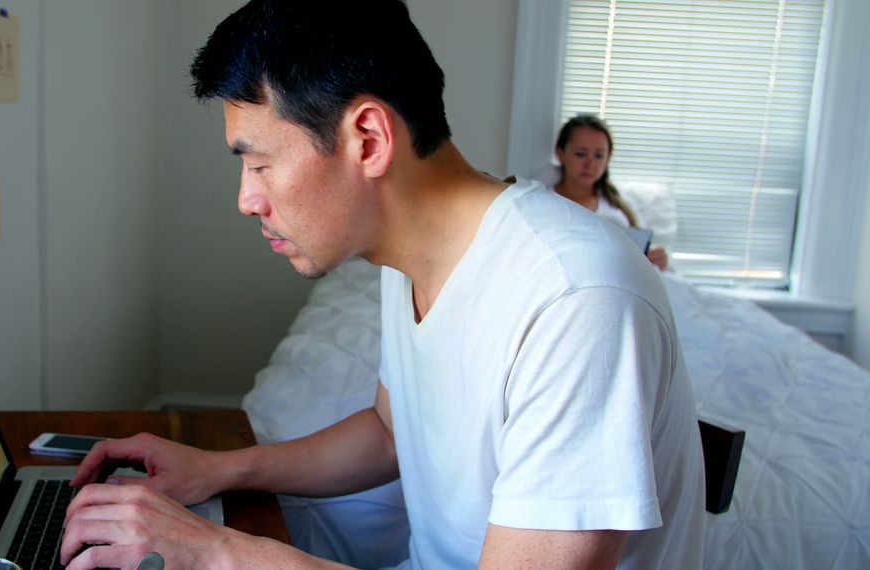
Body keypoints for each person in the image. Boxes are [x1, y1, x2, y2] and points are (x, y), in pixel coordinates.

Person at [59, 2, 706, 568]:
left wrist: (219, 552)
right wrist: (220, 468)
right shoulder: (412, 255)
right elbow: (392, 432)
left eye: (259, 163)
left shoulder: (574, 298)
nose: (246, 199)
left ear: (368, 140)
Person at [552, 114, 670, 271]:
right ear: (561, 154)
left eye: (599, 155)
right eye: (581, 154)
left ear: (608, 158)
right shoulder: (545, 202)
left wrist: (658, 259)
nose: (590, 164)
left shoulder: (621, 205)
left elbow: (645, 253)